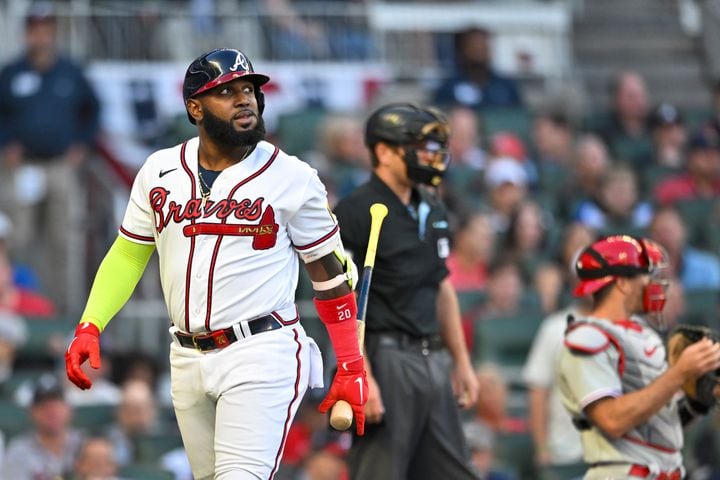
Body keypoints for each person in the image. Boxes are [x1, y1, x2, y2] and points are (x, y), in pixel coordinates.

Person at [64, 48, 367, 480]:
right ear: (195, 108)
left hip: (263, 349)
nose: (244, 99)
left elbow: (330, 278)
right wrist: (91, 323)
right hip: (186, 356)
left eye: (249, 89)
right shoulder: (159, 169)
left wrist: (351, 363)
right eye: (226, 91)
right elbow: (131, 252)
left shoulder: (294, 178)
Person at [333, 103, 480, 479]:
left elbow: (441, 284)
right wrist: (360, 372)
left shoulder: (433, 205)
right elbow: (340, 299)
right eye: (420, 146)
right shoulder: (356, 210)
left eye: (434, 147)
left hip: (433, 357)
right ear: (384, 151)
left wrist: (461, 362)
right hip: (385, 357)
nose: (431, 156)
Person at [558, 235, 720, 479]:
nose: (653, 284)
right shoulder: (587, 338)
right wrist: (679, 374)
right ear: (622, 283)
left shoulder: (644, 335)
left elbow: (656, 424)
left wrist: (699, 399)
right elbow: (612, 420)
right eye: (645, 275)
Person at [0, 2, 100, 312]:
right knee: (17, 237)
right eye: (34, 29)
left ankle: (60, 311)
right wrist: (5, 142)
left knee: (63, 241)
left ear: (53, 33)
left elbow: (93, 110)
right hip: (22, 166)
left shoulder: (70, 72)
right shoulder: (11, 73)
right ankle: (12, 305)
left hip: (59, 166)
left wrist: (81, 144)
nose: (40, 36)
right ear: (26, 33)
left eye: (45, 29)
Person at [3, 374, 85, 479]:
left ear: (69, 409)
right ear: (31, 412)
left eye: (57, 405)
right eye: (43, 406)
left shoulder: (86, 444)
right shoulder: (18, 451)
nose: (51, 412)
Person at [432, 27, 523, 109]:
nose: (479, 52)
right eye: (473, 47)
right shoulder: (449, 88)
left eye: (482, 47)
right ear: (462, 50)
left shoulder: (505, 86)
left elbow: (519, 116)